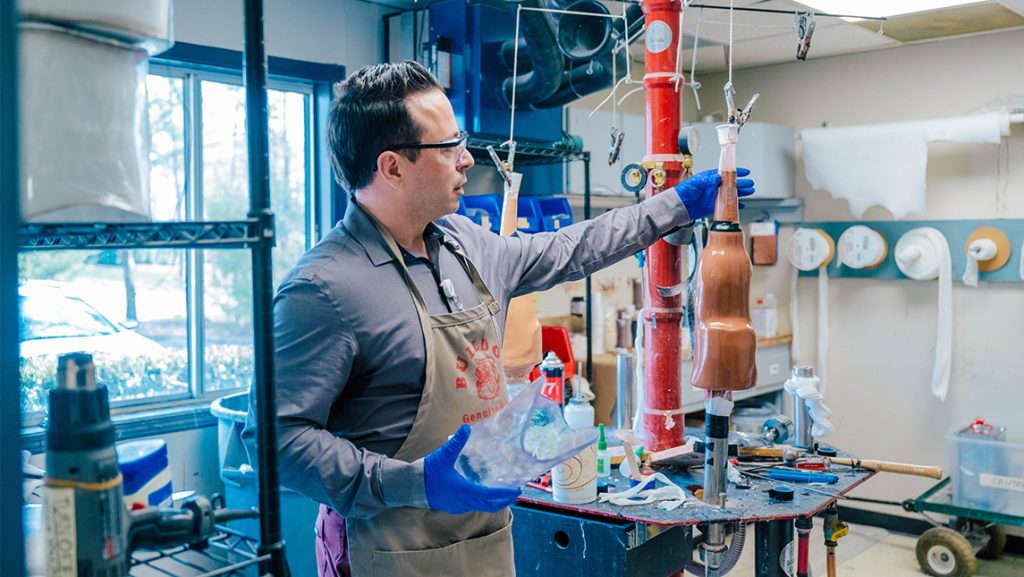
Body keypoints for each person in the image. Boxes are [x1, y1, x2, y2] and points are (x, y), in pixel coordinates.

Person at [243, 60, 754, 577]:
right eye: (448, 147)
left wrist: (674, 206)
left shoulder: (463, 243)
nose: (466, 159)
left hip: (484, 542)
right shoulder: (324, 289)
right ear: (393, 167)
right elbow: (274, 441)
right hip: (388, 550)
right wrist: (412, 481)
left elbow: (569, 249)